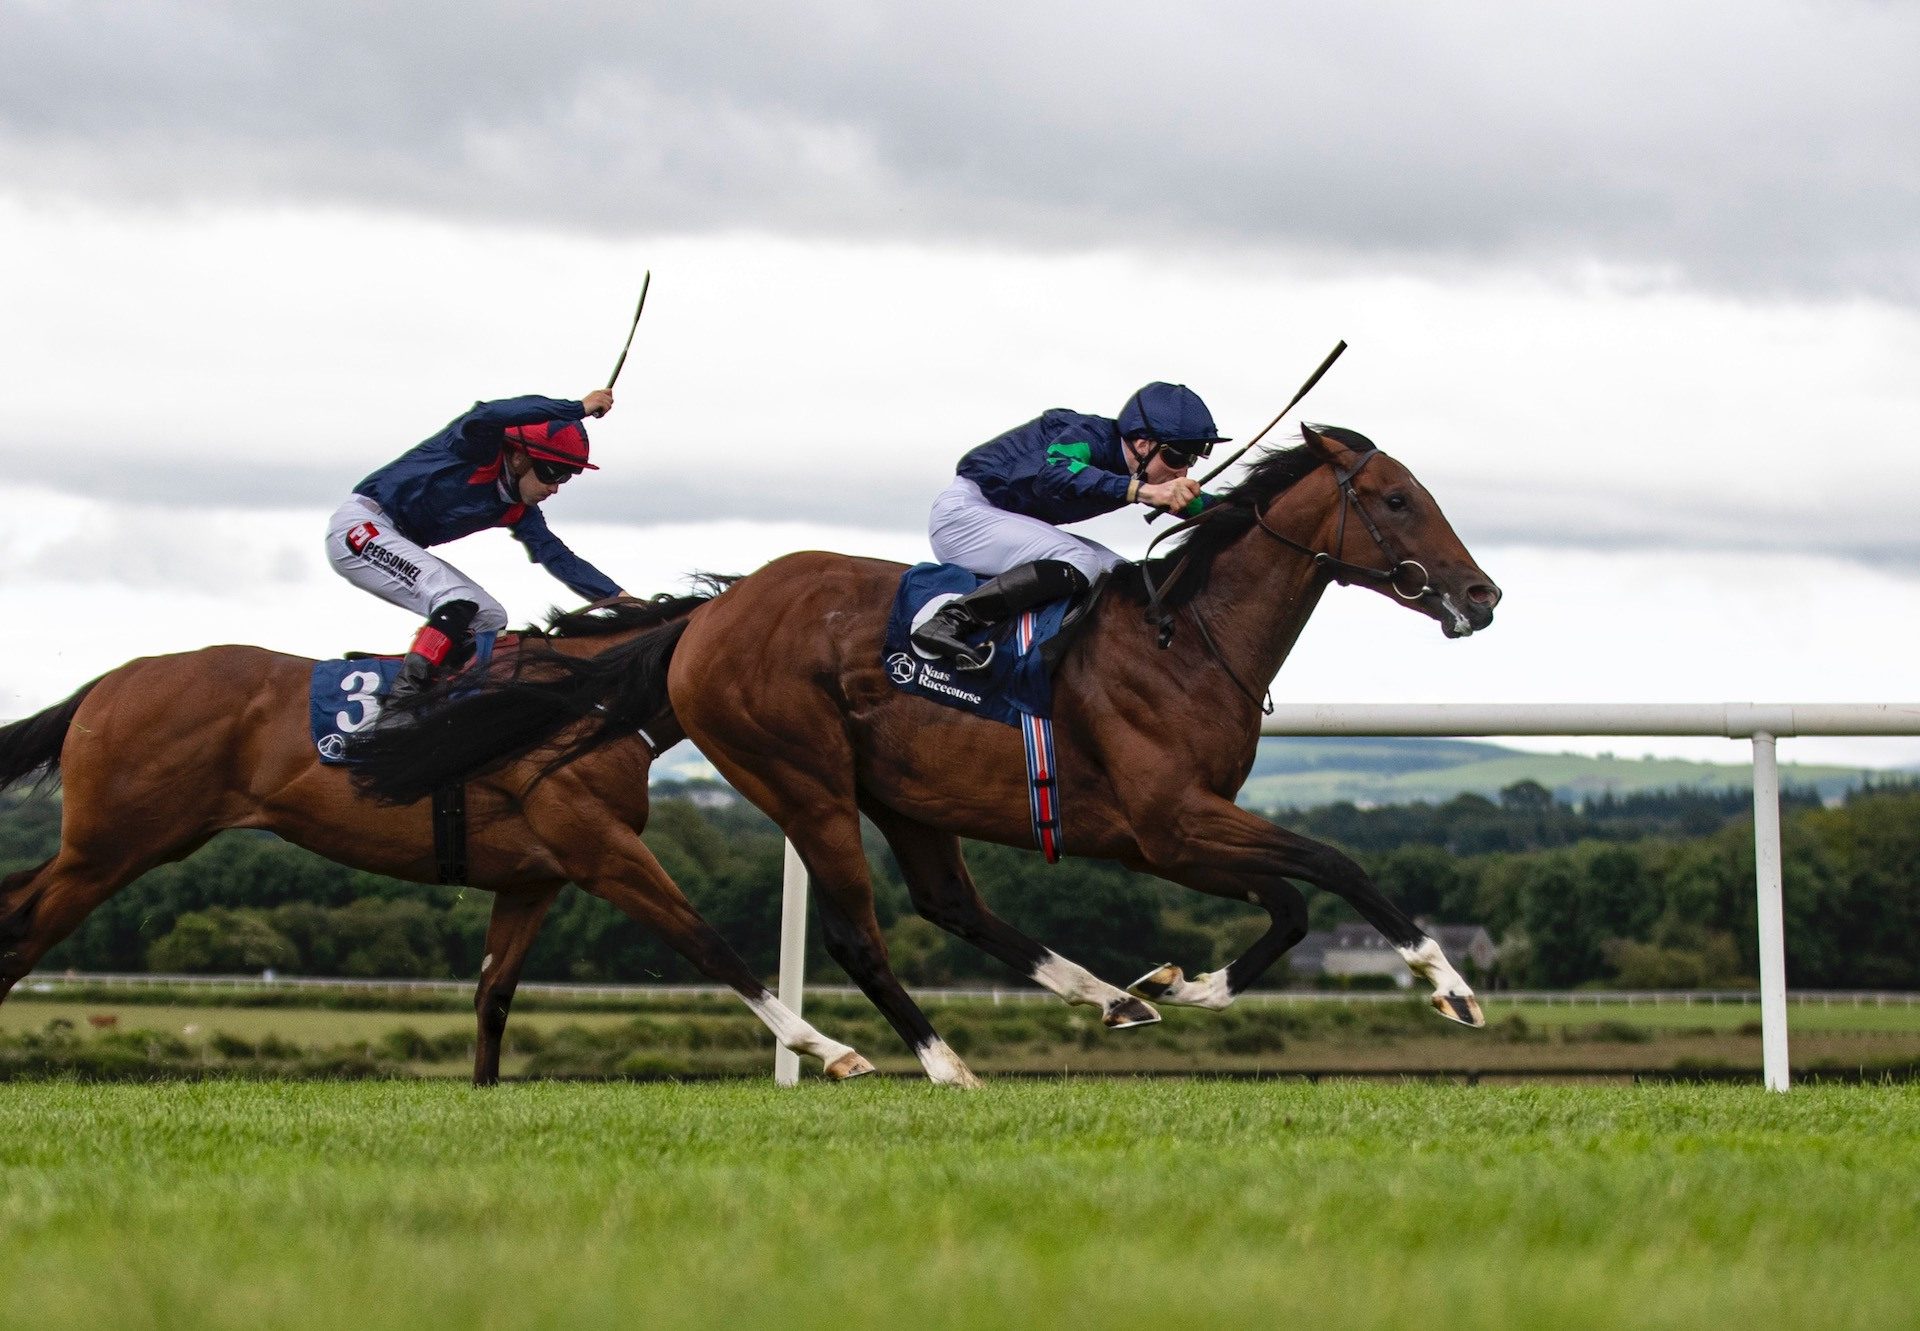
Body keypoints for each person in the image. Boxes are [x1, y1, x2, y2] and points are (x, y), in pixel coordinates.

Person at [326, 389, 624, 701]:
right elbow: (488, 413)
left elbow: (557, 556)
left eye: (566, 477)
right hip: (360, 526)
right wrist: (576, 408)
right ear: (519, 456)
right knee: (457, 600)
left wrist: (618, 597)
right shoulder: (476, 448)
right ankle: (401, 702)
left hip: (390, 536)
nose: (554, 487)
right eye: (552, 471)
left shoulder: (519, 510)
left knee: (489, 618)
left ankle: (424, 682)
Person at [911, 381, 1228, 668]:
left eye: (1191, 462)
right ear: (1143, 443)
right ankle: (950, 621)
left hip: (1003, 520)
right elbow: (1056, 471)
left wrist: (1256, 504)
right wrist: (1144, 492)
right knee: (1082, 561)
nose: (1183, 473)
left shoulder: (1139, 469)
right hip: (964, 516)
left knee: (1120, 572)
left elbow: (1206, 508)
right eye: (1175, 457)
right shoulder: (1086, 435)